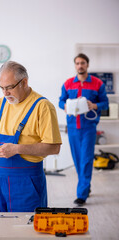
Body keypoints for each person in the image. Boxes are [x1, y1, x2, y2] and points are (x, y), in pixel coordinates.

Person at [0, 61, 62, 212]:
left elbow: (54, 148)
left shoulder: (43, 107)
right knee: (3, 226)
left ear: (24, 82)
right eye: (1, 88)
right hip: (0, 179)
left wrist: (17, 149)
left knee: (26, 229)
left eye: (9, 87)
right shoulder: (1, 103)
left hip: (27, 182)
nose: (5, 93)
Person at [59, 53, 109, 206]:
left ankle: (81, 194)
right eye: (77, 63)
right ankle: (86, 186)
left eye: (83, 63)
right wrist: (65, 106)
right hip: (73, 128)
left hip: (88, 128)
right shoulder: (68, 84)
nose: (80, 65)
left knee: (86, 160)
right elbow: (61, 101)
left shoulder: (97, 83)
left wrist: (94, 105)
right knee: (78, 160)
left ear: (87, 65)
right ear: (75, 65)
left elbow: (105, 103)